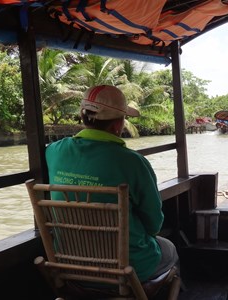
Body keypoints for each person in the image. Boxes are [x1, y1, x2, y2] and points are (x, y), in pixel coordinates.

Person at [45, 85, 179, 285]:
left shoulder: (54, 151)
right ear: (117, 125)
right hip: (126, 269)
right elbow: (154, 225)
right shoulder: (133, 162)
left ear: (83, 117)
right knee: (170, 250)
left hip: (70, 264)